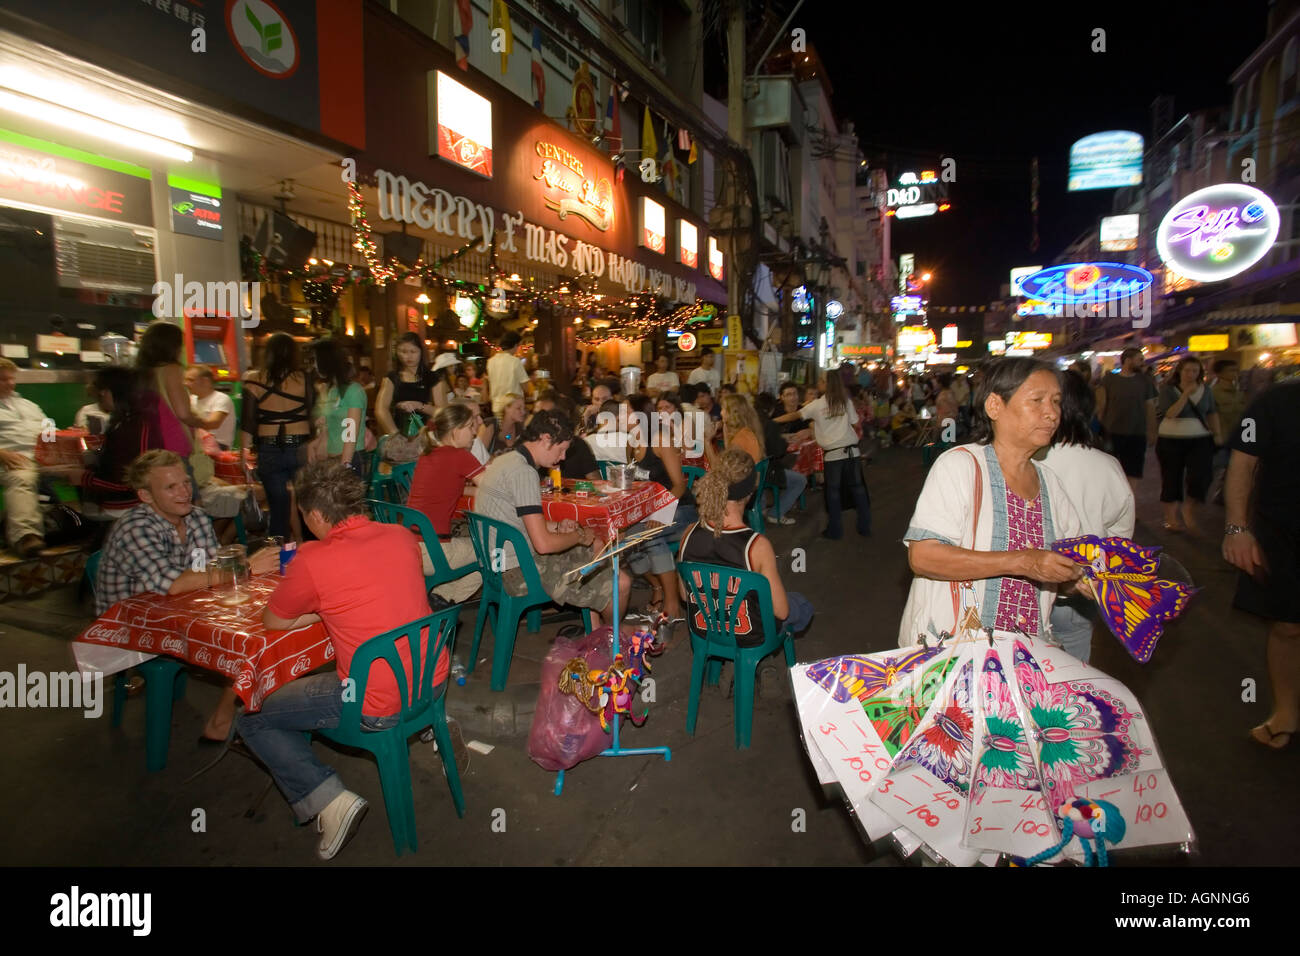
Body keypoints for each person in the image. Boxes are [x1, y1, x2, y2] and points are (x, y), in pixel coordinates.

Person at [237, 460, 444, 860]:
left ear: (314, 514)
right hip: (428, 679)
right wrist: (331, 606)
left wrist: (321, 606)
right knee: (300, 693)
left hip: (374, 700)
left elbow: (273, 620)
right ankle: (431, 727)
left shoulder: (314, 559)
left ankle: (326, 798)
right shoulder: (401, 536)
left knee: (253, 712)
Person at [898, 358, 1086, 648]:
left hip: (1028, 657)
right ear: (995, 406)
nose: (1051, 414)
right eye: (1037, 400)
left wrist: (1079, 580)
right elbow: (924, 557)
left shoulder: (1052, 485)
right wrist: (1023, 561)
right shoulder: (960, 466)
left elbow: (1063, 568)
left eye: (1056, 402)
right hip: (955, 654)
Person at [96, 450, 279, 740]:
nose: (184, 492)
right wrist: (245, 568)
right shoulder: (136, 527)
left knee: (260, 625)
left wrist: (234, 565)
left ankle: (250, 706)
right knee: (249, 640)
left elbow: (206, 570)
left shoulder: (195, 517)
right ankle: (224, 719)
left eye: (185, 482)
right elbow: (173, 585)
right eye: (170, 487)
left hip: (179, 611)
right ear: (145, 495)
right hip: (131, 626)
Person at [474, 409, 630, 623]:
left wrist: (558, 526)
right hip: (516, 572)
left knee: (595, 547)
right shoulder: (524, 472)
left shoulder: (506, 459)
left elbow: (517, 523)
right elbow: (544, 546)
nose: (563, 457)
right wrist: (579, 536)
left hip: (496, 563)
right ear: (546, 439)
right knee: (620, 582)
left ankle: (595, 630)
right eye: (562, 449)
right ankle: (610, 640)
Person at [1222, 378, 1300, 750]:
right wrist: (1237, 529)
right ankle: (1285, 712)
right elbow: (1242, 463)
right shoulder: (1276, 401)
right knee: (1288, 627)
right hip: (1284, 533)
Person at [1040, 370, 1134, 664]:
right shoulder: (1107, 465)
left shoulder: (1023, 460)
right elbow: (1121, 535)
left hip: (1027, 589)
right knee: (1074, 674)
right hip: (1083, 590)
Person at [678, 449, 814, 644]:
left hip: (704, 629)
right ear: (750, 493)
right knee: (800, 603)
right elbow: (781, 612)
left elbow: (685, 594)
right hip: (749, 634)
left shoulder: (688, 533)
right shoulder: (756, 546)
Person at [622, 394, 694, 623]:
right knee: (623, 537)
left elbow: (680, 486)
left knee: (649, 536)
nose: (621, 416)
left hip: (680, 508)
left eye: (626, 411)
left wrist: (660, 513)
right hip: (650, 511)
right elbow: (633, 482)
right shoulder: (631, 442)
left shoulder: (661, 439)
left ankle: (672, 603)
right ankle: (659, 588)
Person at [405, 404, 485, 605]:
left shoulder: (428, 455)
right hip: (434, 551)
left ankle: (438, 596)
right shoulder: (460, 456)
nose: (474, 432)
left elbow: (451, 487)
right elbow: (494, 489)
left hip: (409, 546)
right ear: (455, 430)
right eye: (469, 427)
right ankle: (444, 599)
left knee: (472, 542)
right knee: (495, 552)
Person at [775, 372, 870, 540]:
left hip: (833, 456)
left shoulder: (817, 405)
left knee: (832, 493)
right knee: (858, 490)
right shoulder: (845, 401)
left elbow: (796, 415)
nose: (818, 383)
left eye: (820, 380)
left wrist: (774, 421)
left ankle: (835, 530)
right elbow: (855, 423)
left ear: (826, 384)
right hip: (852, 452)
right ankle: (864, 527)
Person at [241, 332, 313, 541]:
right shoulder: (305, 379)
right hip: (301, 447)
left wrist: (245, 458)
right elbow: (311, 413)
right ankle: (311, 553)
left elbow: (248, 423)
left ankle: (278, 562)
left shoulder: (253, 380)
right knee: (306, 506)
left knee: (278, 509)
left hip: (269, 449)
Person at [133, 320, 207, 490]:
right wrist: (203, 422)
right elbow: (183, 413)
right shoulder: (171, 369)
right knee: (187, 501)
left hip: (148, 446)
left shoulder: (141, 372)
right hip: (172, 446)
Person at [1154, 356, 1220, 534]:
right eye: (1187, 370)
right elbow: (1170, 413)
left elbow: (1212, 413)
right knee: (1171, 477)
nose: (1191, 374)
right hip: (1170, 438)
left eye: (1195, 371)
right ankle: (1171, 518)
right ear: (1179, 371)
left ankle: (1189, 508)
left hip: (1200, 438)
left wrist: (1218, 434)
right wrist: (1184, 395)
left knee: (1201, 476)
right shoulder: (1167, 389)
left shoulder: (1206, 390)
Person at [0, 357, 49, 555]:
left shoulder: (29, 405)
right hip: (10, 458)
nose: (10, 383)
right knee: (22, 477)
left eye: (11, 379)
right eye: (3, 380)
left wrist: (59, 441)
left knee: (85, 468)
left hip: (42, 457)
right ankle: (25, 536)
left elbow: (49, 428)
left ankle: (87, 523)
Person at [1096, 346, 1157, 491]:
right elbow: (1101, 405)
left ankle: (1130, 505)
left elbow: (1150, 407)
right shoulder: (1109, 379)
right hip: (1112, 432)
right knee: (1110, 470)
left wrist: (1152, 430)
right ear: (1128, 360)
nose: (1143, 363)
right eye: (1139, 359)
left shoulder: (1145, 381)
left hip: (1137, 433)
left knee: (1133, 472)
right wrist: (1099, 430)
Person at [310, 338, 367, 475]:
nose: (314, 366)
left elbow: (351, 433)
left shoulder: (353, 391)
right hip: (332, 459)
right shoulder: (332, 390)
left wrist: (345, 465)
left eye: (315, 360)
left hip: (349, 459)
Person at [754, 391, 806, 526]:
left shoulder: (748, 422)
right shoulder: (770, 424)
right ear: (771, 409)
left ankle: (762, 508)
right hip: (766, 471)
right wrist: (784, 441)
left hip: (748, 469)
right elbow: (777, 451)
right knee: (800, 480)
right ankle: (775, 513)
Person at [375, 332, 436, 438]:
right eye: (403, 351)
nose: (408, 356)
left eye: (413, 351)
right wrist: (395, 435)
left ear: (421, 352)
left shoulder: (433, 377)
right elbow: (381, 409)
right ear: (397, 353)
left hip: (428, 435)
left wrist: (419, 406)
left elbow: (443, 411)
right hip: (399, 430)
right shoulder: (391, 378)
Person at [1209, 359, 1247, 504]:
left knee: (1234, 471)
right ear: (1219, 373)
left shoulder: (1238, 393)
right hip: (1221, 439)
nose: (1235, 373)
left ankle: (1224, 495)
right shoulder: (1214, 393)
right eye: (1231, 370)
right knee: (1216, 469)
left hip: (1237, 438)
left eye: (1236, 370)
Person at [184, 365, 235, 450]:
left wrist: (188, 418)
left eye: (191, 380)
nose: (186, 383)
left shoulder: (221, 398)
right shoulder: (192, 399)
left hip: (217, 446)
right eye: (185, 380)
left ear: (205, 381)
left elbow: (213, 423)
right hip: (197, 444)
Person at [486, 331, 530, 403]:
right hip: (513, 405)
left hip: (496, 404)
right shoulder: (515, 361)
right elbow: (525, 388)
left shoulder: (490, 361)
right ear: (515, 345)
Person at [481, 392, 525, 457]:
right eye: (518, 408)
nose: (523, 412)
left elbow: (507, 436)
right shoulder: (491, 425)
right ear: (506, 408)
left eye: (524, 408)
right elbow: (479, 455)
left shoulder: (519, 428)